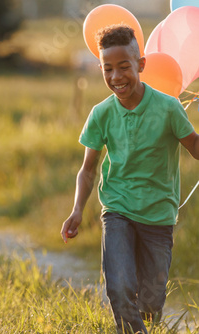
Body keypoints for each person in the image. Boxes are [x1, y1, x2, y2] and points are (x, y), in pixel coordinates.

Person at [60, 24, 199, 334]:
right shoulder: (101, 113)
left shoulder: (168, 108)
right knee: (120, 289)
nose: (116, 77)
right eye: (108, 69)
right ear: (100, 69)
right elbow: (88, 169)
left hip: (159, 214)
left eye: (124, 67)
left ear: (141, 64)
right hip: (117, 210)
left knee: (151, 302)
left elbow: (195, 148)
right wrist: (78, 209)